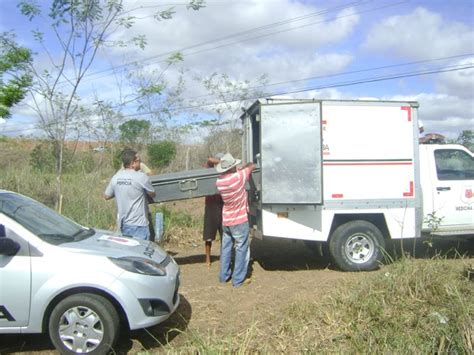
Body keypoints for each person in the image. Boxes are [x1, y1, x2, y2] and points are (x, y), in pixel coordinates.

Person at [215, 153, 255, 287]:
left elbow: (238, 172)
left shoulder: (219, 181)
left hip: (226, 220)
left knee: (226, 248)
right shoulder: (238, 177)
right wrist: (246, 165)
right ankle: (238, 280)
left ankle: (223, 276)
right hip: (239, 220)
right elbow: (251, 167)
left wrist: (238, 169)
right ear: (232, 167)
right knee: (241, 248)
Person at [104, 149, 156, 240]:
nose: (140, 163)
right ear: (133, 163)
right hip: (139, 225)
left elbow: (106, 196)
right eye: (139, 161)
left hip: (123, 224)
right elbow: (152, 194)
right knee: (140, 252)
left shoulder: (116, 177)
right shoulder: (141, 177)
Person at [203, 155, 224, 267]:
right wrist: (218, 161)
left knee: (224, 233)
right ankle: (207, 258)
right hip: (211, 204)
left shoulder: (225, 172)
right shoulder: (209, 171)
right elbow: (209, 160)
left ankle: (224, 256)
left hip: (223, 204)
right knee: (208, 234)